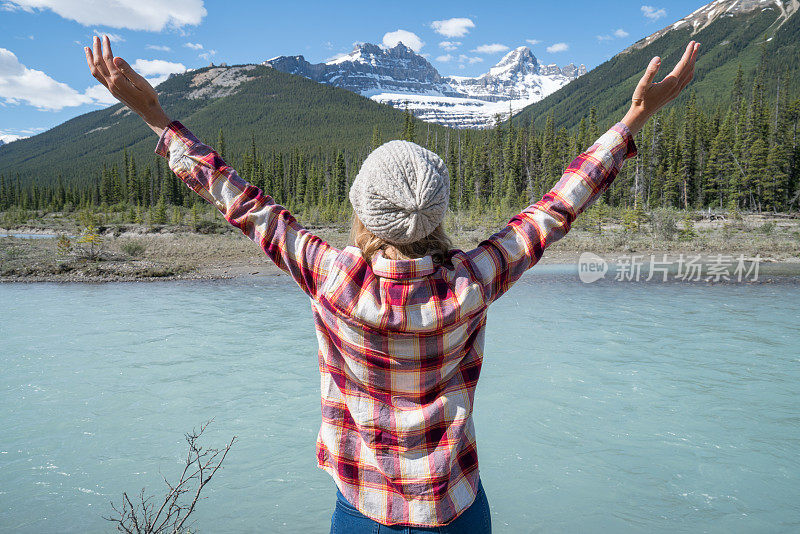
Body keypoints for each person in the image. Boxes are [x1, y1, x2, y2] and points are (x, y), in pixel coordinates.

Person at [85, 35, 699, 533]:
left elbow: (242, 203)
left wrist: (156, 116)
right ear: (438, 213)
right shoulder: (475, 279)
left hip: (364, 511)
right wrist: (633, 119)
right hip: (456, 508)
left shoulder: (329, 275)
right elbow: (556, 208)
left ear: (361, 211)